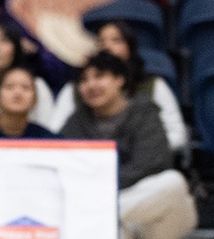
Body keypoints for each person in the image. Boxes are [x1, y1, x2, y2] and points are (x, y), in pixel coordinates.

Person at [58, 52, 196, 239]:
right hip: (115, 220)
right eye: (84, 80)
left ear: (119, 80)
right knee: (111, 232)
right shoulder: (76, 123)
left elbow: (151, 164)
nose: (91, 85)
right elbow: (66, 169)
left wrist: (99, 194)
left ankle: (99, 213)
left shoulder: (145, 111)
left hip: (154, 220)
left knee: (173, 182)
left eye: (99, 76)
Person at [49, 20, 187, 149]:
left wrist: (142, 149)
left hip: (145, 161)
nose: (107, 46)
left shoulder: (153, 85)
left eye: (116, 40)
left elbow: (177, 135)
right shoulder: (76, 88)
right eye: (101, 41)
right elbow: (55, 136)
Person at [0, 66, 58, 139]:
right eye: (9, 87)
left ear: (35, 99)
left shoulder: (47, 140)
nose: (18, 93)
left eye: (26, 87)